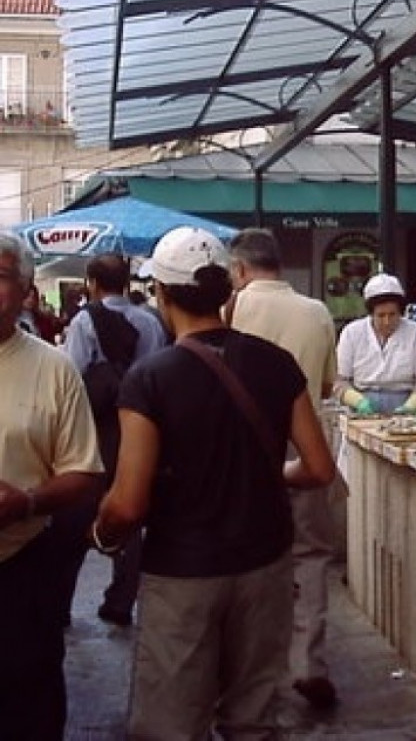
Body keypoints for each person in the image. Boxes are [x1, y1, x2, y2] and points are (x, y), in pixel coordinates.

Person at [93, 226, 336, 739]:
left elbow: (130, 502)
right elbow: (317, 468)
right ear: (227, 290)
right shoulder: (277, 364)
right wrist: (275, 472)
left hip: (183, 574)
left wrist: (102, 532)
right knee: (253, 721)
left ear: (161, 294)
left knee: (172, 725)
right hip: (265, 569)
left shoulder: (151, 378)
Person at [227, 228, 341, 711]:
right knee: (311, 559)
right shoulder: (317, 312)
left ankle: (257, 670)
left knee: (252, 564)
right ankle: (309, 664)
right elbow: (331, 385)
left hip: (248, 463)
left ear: (239, 269)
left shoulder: (233, 311)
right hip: (308, 452)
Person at [0, 231, 104, 739]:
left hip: (24, 565)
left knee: (30, 697)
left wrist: (28, 501)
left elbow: (83, 473)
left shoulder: (55, 368)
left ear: (24, 291)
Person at [60, 253, 168, 628]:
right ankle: (121, 600)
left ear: (92, 281)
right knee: (132, 513)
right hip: (142, 427)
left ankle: (61, 603)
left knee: (76, 514)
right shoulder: (151, 321)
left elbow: (71, 378)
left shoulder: (83, 321)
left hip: (97, 427)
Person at [335, 273, 416, 416]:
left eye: (392, 314)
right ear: (371, 313)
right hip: (361, 408)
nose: (387, 321)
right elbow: (340, 380)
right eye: (381, 315)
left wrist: (411, 405)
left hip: (405, 405)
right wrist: (358, 401)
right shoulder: (352, 333)